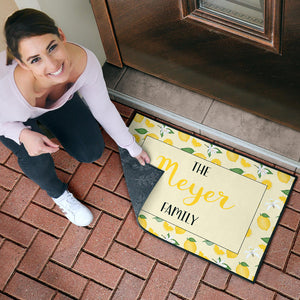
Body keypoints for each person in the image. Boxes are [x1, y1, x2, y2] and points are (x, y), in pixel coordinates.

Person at [0, 8, 150, 227]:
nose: (52, 65)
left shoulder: (84, 61)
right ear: (23, 64)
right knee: (37, 159)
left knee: (91, 151)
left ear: (61, 35)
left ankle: (53, 117)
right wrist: (22, 134)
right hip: (11, 118)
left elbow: (103, 108)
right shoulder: (10, 93)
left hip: (56, 103)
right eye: (35, 60)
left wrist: (131, 146)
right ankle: (58, 194)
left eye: (52, 47)